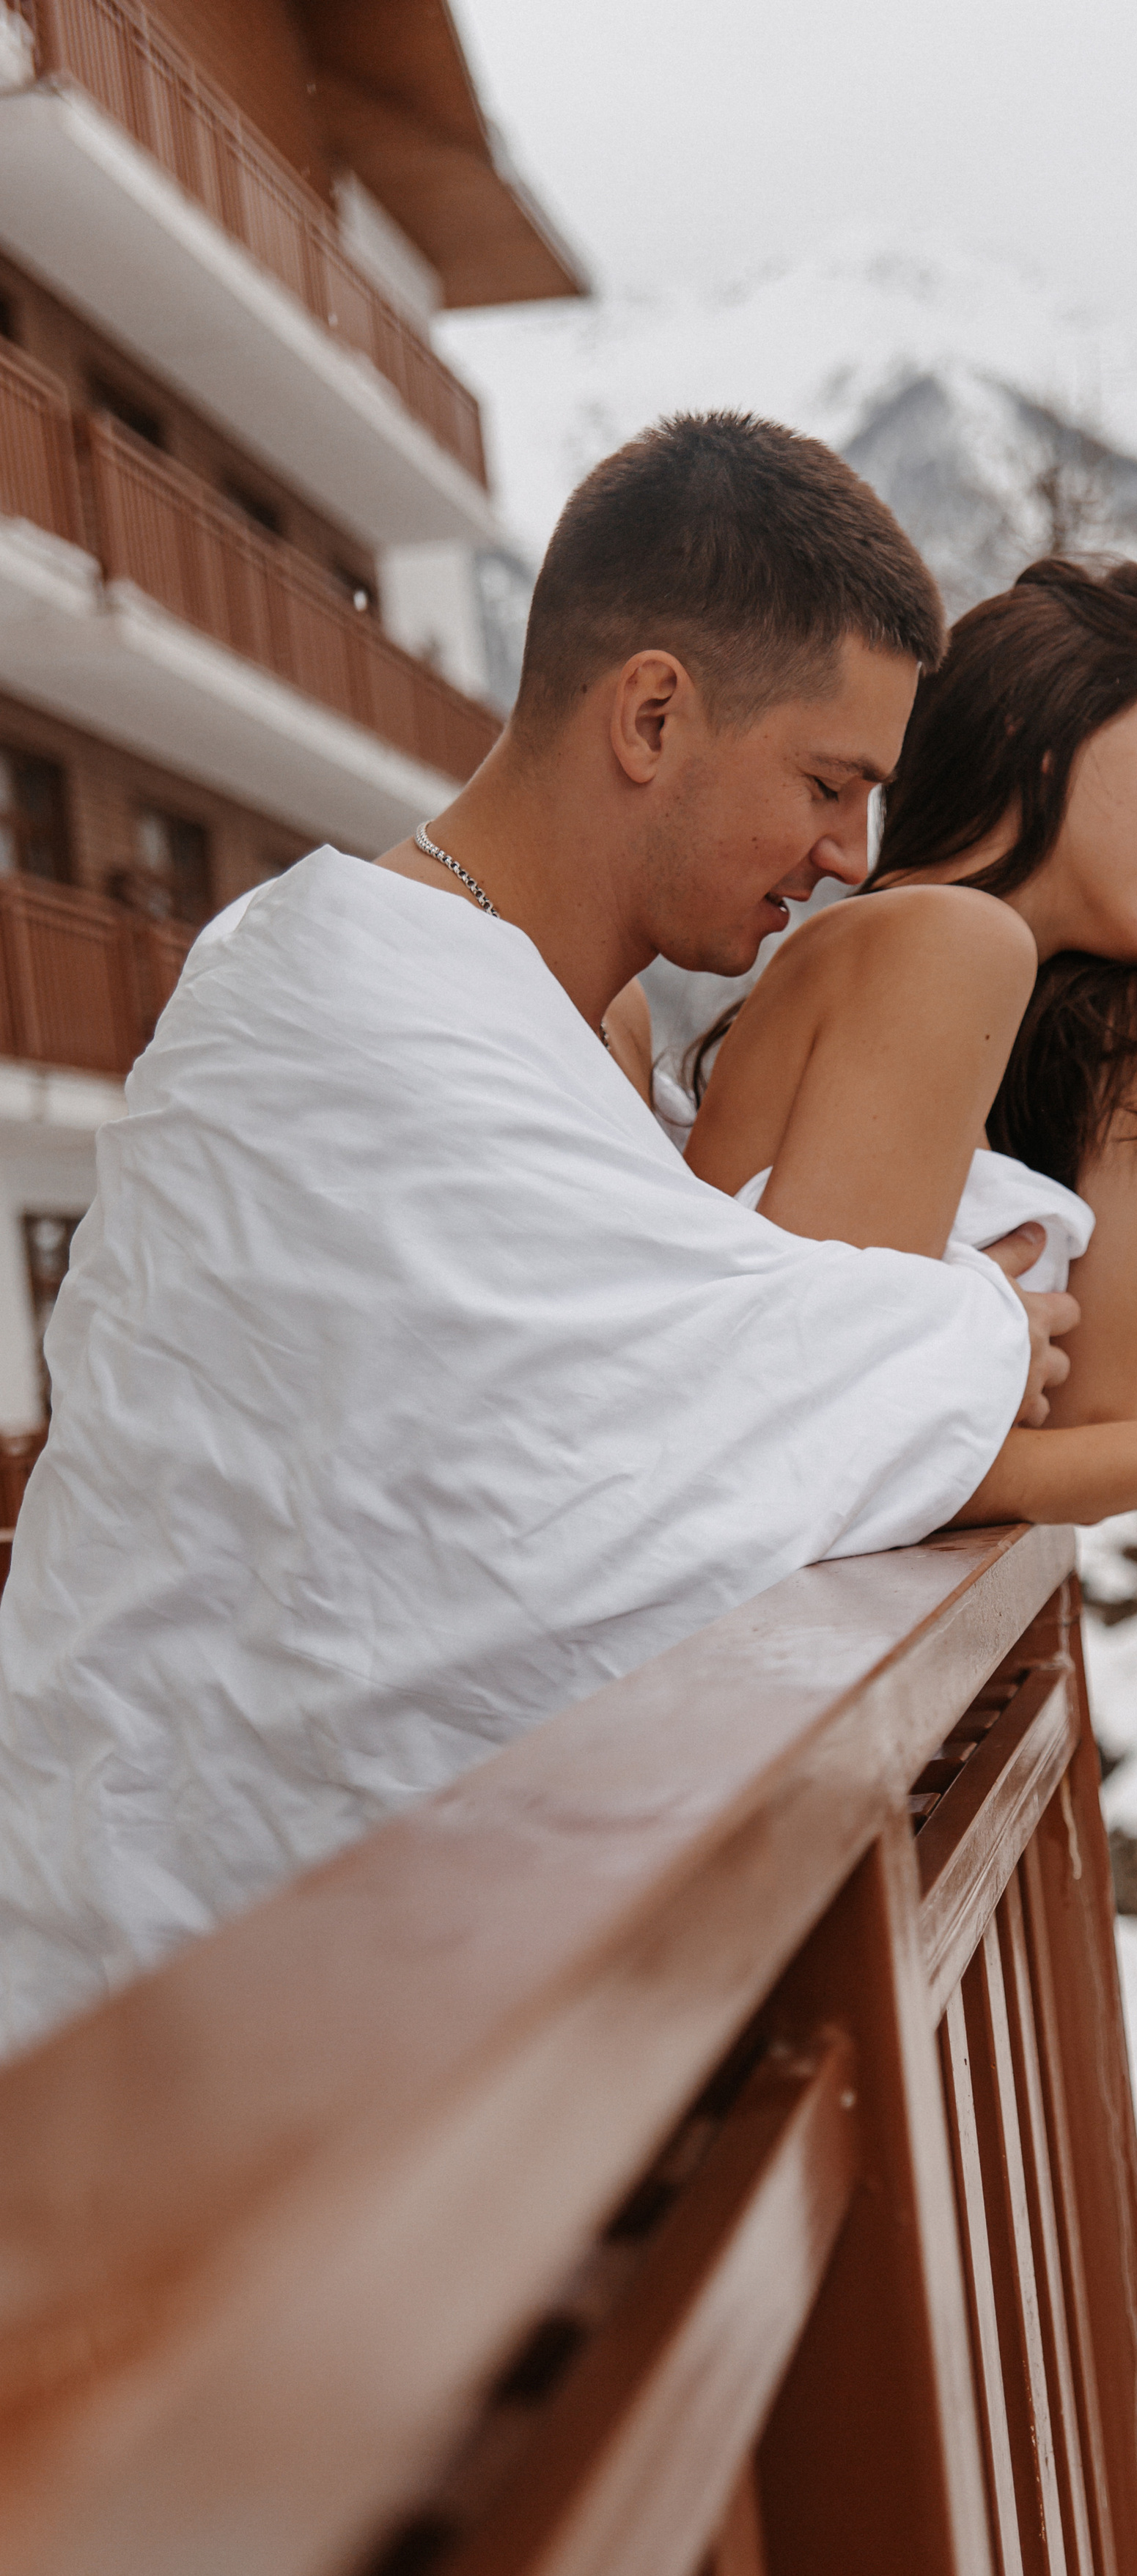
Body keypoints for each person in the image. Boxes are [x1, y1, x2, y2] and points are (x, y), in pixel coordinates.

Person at [0, 414, 1074, 2056]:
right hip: (169, 2004)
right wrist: (964, 1330)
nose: (851, 855)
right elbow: (593, 1469)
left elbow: (645, 1346)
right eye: (828, 782)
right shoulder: (346, 1004)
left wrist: (910, 1321)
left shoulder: (538, 1024)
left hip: (320, 1998)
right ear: (651, 713)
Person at [608, 558, 1137, 1534]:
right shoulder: (934, 942)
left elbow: (1095, 1421)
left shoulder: (1011, 1007)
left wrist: (1132, 1052)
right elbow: (820, 1453)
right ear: (1044, 730)